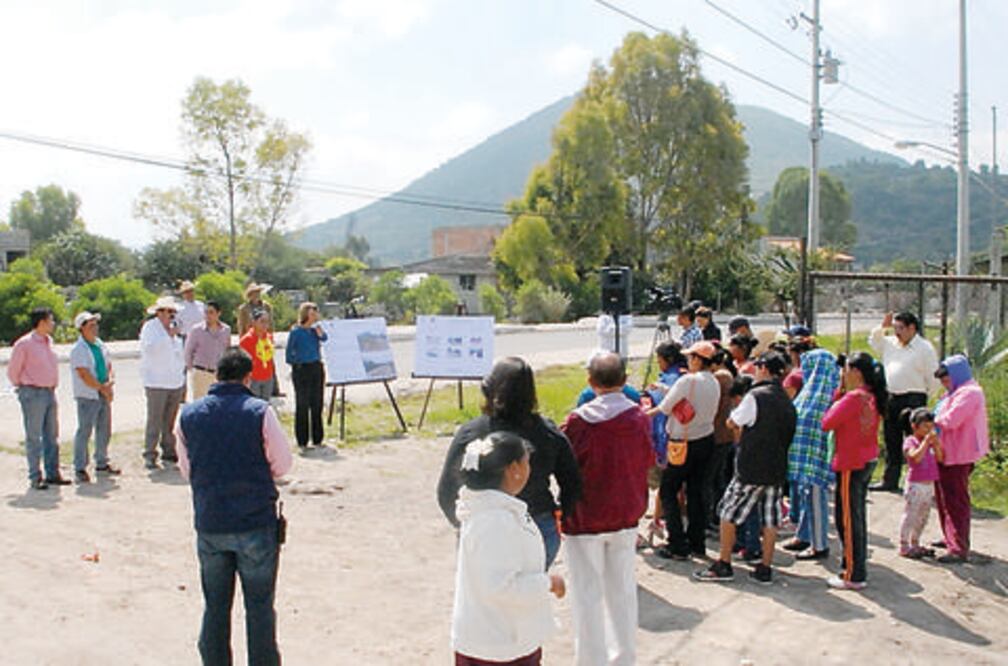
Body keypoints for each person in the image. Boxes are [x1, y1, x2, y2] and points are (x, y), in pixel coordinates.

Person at [175, 347, 293, 666]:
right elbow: (282, 464)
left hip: (211, 521)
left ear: (216, 375)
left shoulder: (188, 414)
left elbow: (187, 469)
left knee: (215, 605)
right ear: (248, 378)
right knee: (259, 606)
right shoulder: (260, 411)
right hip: (255, 523)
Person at [438, 357, 582, 569]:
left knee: (488, 595)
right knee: (530, 593)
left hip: (484, 525)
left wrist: (462, 523)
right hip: (537, 524)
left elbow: (446, 490)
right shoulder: (549, 433)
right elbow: (572, 483)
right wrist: (559, 514)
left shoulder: (471, 432)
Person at [560, 352, 653, 665]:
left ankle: (590, 659)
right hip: (626, 514)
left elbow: (565, 463)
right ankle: (623, 657)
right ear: (624, 382)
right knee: (623, 591)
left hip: (585, 517)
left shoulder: (578, 420)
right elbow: (647, 460)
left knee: (587, 594)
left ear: (590, 382)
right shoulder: (639, 417)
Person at [451, 432, 565, 666]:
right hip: (501, 643)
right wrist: (548, 583)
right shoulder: (495, 521)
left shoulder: (490, 511)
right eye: (526, 462)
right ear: (513, 469)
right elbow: (501, 587)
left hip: (498, 634)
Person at [694, 351, 797, 584]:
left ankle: (724, 563)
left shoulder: (755, 396)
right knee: (770, 519)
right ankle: (765, 567)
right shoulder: (785, 398)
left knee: (727, 512)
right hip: (777, 466)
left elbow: (734, 421)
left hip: (751, 466)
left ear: (764, 369)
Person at [648, 341, 721, 560]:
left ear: (698, 359)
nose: (688, 361)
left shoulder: (688, 380)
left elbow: (665, 408)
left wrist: (642, 415)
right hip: (705, 440)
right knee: (696, 493)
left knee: (669, 491)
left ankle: (677, 543)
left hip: (682, 442)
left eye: (691, 358)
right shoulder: (714, 381)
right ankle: (696, 543)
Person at [821, 351, 886, 591]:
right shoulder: (871, 395)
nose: (843, 374)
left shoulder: (853, 398)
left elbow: (827, 421)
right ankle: (855, 565)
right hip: (866, 458)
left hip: (851, 461)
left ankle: (853, 573)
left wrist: (838, 392)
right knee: (855, 516)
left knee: (847, 518)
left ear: (856, 372)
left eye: (846, 369)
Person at [868, 311, 940, 492]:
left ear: (912, 328)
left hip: (914, 397)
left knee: (916, 439)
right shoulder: (891, 343)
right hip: (892, 397)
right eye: (895, 328)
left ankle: (921, 478)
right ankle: (890, 480)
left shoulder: (924, 348)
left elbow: (933, 377)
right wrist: (882, 327)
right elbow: (874, 342)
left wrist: (926, 397)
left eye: (901, 328)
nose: (897, 332)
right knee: (891, 439)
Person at [783, 348, 841, 561]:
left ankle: (819, 545)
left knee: (817, 500)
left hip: (817, 460)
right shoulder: (810, 393)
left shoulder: (829, 396)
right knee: (807, 497)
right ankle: (804, 535)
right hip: (804, 459)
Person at [932, 355, 990, 564]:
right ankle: (950, 536)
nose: (944, 384)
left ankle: (958, 547)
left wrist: (929, 419)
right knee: (943, 497)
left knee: (956, 500)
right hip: (946, 452)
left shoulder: (970, 393)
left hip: (959, 454)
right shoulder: (955, 392)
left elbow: (951, 420)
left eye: (947, 379)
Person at [7, 307, 66, 489]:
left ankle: (52, 473)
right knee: (34, 437)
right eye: (51, 320)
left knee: (51, 435)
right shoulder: (24, 344)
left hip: (49, 392)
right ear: (41, 322)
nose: (53, 324)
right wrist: (24, 388)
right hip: (32, 393)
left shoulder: (48, 342)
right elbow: (13, 371)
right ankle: (35, 476)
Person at [69, 311, 120, 483]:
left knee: (104, 429)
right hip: (88, 395)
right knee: (85, 431)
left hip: (103, 392)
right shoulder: (79, 349)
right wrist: (101, 387)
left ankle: (102, 461)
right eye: (90, 325)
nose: (95, 328)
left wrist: (110, 383)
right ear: (81, 329)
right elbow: (83, 374)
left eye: (95, 324)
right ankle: (80, 467)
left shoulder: (100, 344)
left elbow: (109, 366)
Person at [140, 296, 187, 469]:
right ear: (159, 313)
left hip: (174, 381)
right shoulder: (150, 328)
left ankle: (168, 450)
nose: (171, 315)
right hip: (156, 381)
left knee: (169, 420)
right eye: (168, 311)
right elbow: (151, 348)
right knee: (154, 419)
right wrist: (168, 336)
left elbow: (179, 354)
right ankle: (150, 453)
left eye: (173, 312)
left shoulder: (174, 331)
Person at [898, 407, 942, 559]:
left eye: (931, 427)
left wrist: (936, 445)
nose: (929, 430)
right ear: (914, 426)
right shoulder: (911, 441)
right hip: (915, 484)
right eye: (925, 427)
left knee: (923, 516)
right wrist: (925, 444)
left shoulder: (930, 443)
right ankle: (904, 544)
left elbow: (941, 458)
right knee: (911, 514)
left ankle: (915, 542)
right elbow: (915, 458)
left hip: (929, 484)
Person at [285, 302, 328, 449]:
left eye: (316, 313)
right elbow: (289, 354)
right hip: (302, 369)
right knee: (302, 404)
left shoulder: (315, 331)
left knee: (317, 403)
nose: (315, 315)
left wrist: (319, 332)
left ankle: (318, 438)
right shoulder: (296, 332)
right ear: (305, 314)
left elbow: (325, 339)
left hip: (316, 367)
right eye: (312, 313)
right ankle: (302, 439)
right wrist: (297, 363)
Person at [185, 301, 232, 400]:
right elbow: (188, 350)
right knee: (200, 404)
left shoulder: (226, 330)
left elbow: (227, 350)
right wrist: (191, 369)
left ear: (218, 313)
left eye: (211, 312)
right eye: (206, 312)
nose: (208, 315)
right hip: (201, 372)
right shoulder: (196, 330)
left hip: (219, 374)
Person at [239, 309, 276, 400]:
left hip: (267, 376)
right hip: (253, 378)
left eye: (267, 322)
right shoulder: (246, 340)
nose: (265, 325)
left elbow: (270, 357)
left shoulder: (269, 337)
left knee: (265, 404)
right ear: (254, 322)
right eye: (262, 321)